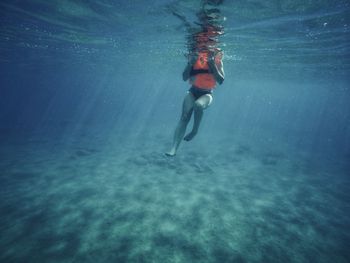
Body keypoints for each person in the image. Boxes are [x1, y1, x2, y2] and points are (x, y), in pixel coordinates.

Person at [165, 30, 225, 157]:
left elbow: (221, 80)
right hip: (193, 91)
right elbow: (184, 78)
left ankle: (194, 131)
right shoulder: (195, 56)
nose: (207, 51)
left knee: (198, 105)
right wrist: (190, 64)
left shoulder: (217, 58)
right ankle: (174, 148)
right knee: (184, 117)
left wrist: (213, 65)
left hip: (207, 94)